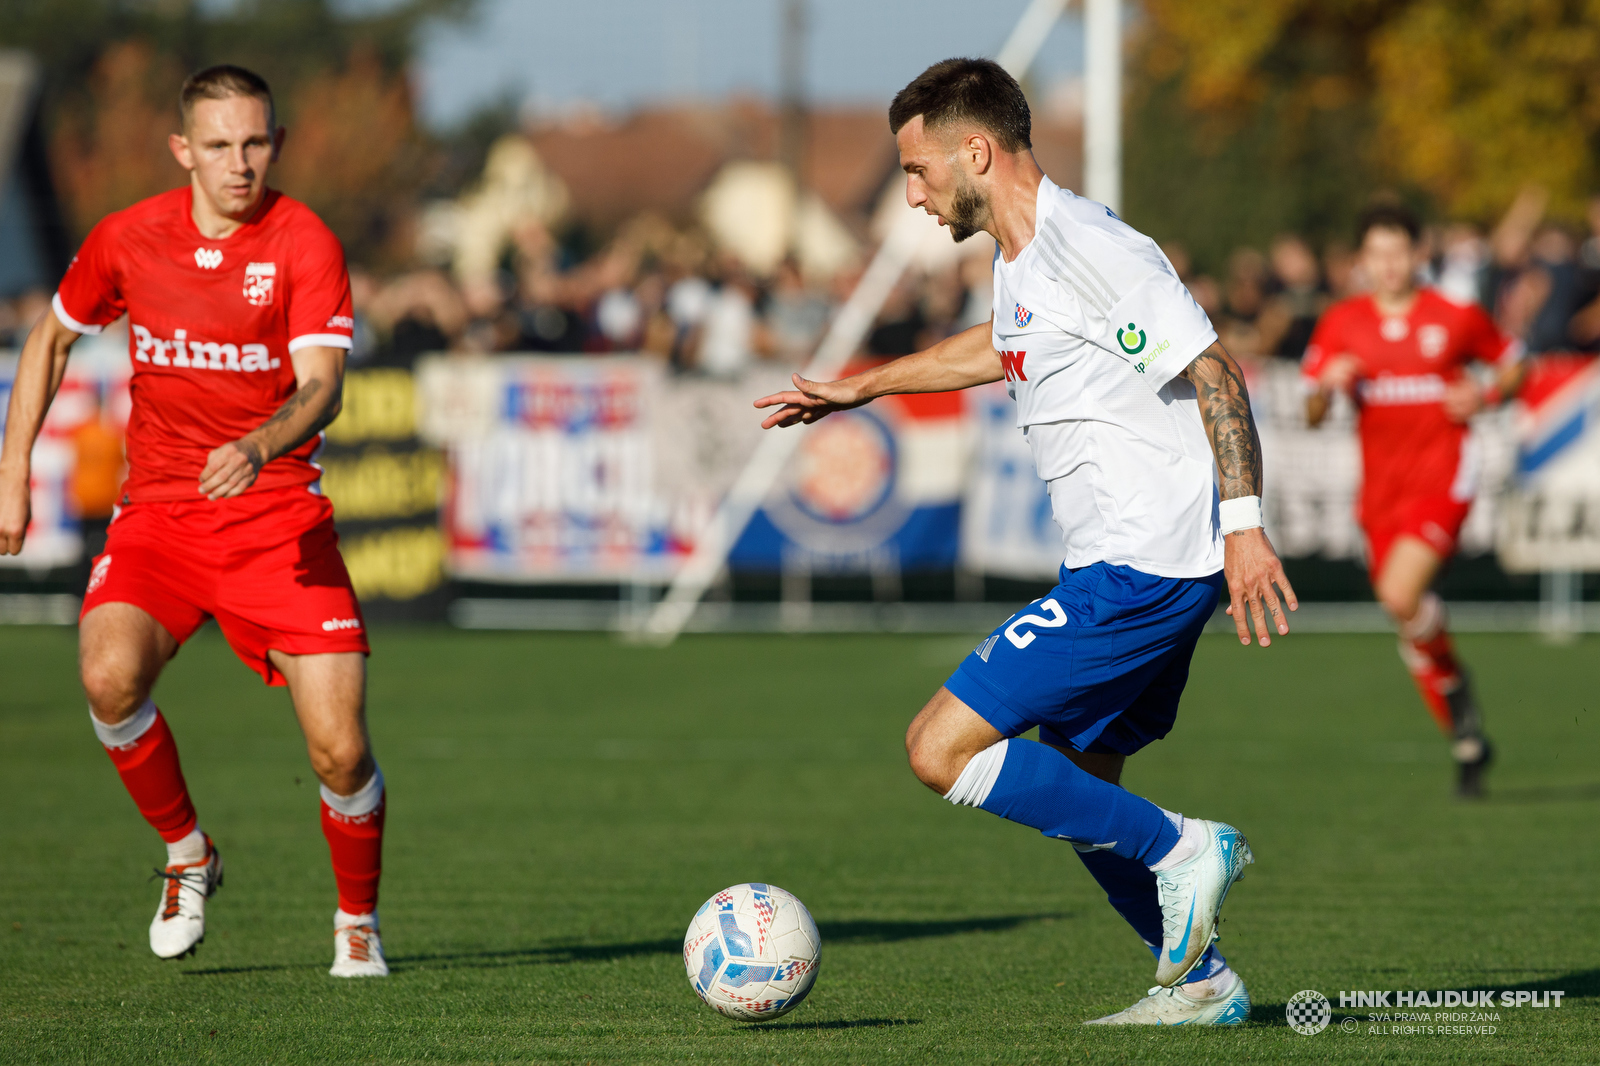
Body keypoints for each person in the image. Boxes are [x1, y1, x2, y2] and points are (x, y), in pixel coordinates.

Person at [756, 58, 1297, 1027]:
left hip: (1141, 565)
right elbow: (999, 346)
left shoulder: (1088, 245)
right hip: (1133, 562)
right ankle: (1205, 987)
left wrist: (1245, 528)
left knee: (938, 748)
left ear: (977, 150)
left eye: (918, 171)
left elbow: (1214, 371)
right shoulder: (1022, 261)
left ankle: (1187, 849)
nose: (912, 193)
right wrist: (864, 383)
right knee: (1082, 790)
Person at [0, 65, 389, 976]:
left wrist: (258, 446)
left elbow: (324, 387)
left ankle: (357, 921)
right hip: (162, 520)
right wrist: (11, 469)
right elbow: (53, 336)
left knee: (338, 752)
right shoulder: (129, 238)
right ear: (183, 150)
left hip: (278, 522)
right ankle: (187, 856)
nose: (239, 162)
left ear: (277, 144)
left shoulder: (304, 242)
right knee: (107, 677)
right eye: (218, 145)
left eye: (255, 142)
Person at [1304, 204, 1523, 798]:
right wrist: (1329, 388)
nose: (1389, 265)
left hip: (1445, 476)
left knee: (1399, 594)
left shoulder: (1454, 318)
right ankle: (1466, 731)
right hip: (1381, 492)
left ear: (1418, 255)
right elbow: (1312, 409)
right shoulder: (1343, 323)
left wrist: (1484, 396)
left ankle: (1455, 693)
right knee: (1407, 614)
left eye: (1398, 253)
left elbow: (1513, 365)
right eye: (1376, 254)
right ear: (1361, 262)